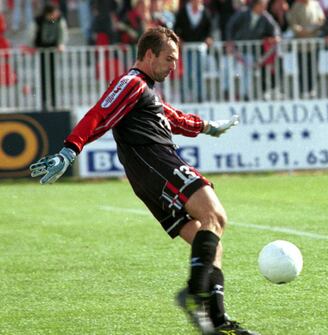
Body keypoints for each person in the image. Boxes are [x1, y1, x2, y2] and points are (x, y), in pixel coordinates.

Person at [29, 27, 259, 335]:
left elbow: (173, 117)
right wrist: (70, 150)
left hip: (148, 179)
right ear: (149, 55)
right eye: (169, 59)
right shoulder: (130, 83)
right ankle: (192, 294)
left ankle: (218, 322)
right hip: (157, 164)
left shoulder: (145, 91)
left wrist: (208, 127)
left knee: (210, 242)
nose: (173, 66)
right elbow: (99, 114)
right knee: (215, 216)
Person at [29, 3, 68, 110]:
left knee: (52, 77)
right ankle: (44, 102)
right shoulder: (39, 20)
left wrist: (61, 44)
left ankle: (53, 102)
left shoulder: (58, 20)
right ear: (49, 13)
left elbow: (62, 33)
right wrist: (31, 46)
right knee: (43, 78)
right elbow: (32, 34)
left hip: (53, 51)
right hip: (41, 51)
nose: (57, 14)